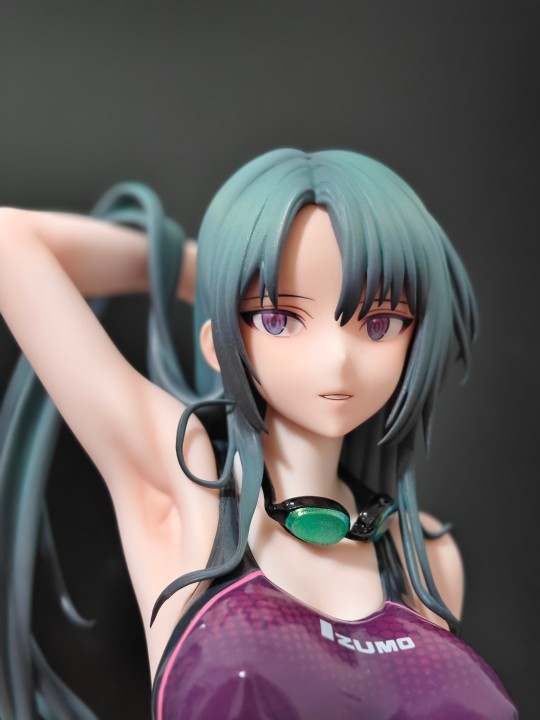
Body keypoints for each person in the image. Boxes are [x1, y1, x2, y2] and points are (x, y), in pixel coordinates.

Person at [0, 149, 517, 719]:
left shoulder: (428, 556)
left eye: (380, 323)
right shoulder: (188, 493)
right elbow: (12, 243)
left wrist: (260, 287)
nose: (337, 359)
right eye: (279, 319)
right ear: (219, 340)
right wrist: (215, 271)